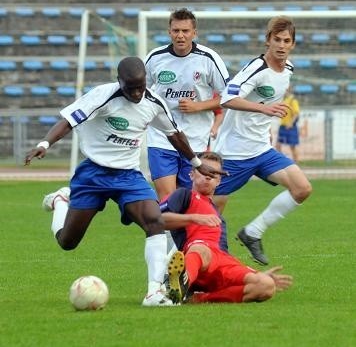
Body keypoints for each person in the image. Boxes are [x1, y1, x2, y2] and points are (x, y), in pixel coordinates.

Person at [24, 56, 226, 307]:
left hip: (128, 175)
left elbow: (174, 134)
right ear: (119, 82)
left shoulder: (153, 101)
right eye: (132, 88)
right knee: (68, 241)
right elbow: (68, 121)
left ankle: (154, 292)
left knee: (155, 220)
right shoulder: (103, 95)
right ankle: (60, 201)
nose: (138, 93)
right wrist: (44, 144)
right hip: (93, 174)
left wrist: (197, 163)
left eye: (141, 86)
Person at [213, 16, 312, 266]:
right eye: (276, 39)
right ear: (268, 40)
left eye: (286, 41)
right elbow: (226, 98)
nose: (281, 45)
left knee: (302, 188)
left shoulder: (288, 69)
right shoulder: (256, 69)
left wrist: (264, 124)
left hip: (261, 150)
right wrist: (263, 110)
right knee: (210, 212)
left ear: (293, 44)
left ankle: (252, 232)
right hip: (234, 153)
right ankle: (202, 260)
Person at [160, 151, 293, 304]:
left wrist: (257, 275)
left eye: (214, 173)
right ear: (191, 174)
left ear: (219, 181)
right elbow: (156, 219)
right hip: (196, 258)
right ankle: (181, 282)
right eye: (204, 170)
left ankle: (198, 299)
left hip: (221, 262)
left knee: (266, 286)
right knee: (201, 248)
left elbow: (223, 254)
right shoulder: (183, 195)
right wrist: (193, 218)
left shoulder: (219, 218)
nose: (208, 176)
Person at [144, 7, 230, 201]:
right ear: (169, 32)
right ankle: (164, 233)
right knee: (167, 197)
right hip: (162, 137)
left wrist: (198, 106)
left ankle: (187, 231)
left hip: (195, 139)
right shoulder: (155, 58)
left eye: (185, 31)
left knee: (190, 198)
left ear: (194, 33)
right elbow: (142, 93)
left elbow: (229, 97)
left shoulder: (209, 59)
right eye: (176, 31)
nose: (180, 36)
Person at [275, 85, 300, 163]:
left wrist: (291, 123)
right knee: (278, 144)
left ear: (287, 90)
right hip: (283, 125)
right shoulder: (284, 100)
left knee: (292, 146)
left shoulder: (293, 100)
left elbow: (296, 114)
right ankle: (280, 162)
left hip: (290, 126)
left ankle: (296, 162)